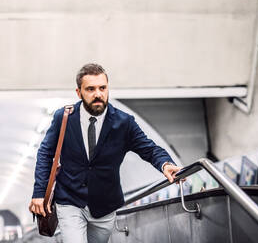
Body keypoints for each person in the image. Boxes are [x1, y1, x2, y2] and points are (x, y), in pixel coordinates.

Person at [29, 63, 183, 243]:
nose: (98, 94)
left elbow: (149, 149)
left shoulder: (123, 123)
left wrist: (165, 164)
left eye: (102, 88)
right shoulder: (64, 118)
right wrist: (39, 192)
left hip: (105, 206)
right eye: (90, 89)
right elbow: (46, 153)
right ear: (79, 93)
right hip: (69, 200)